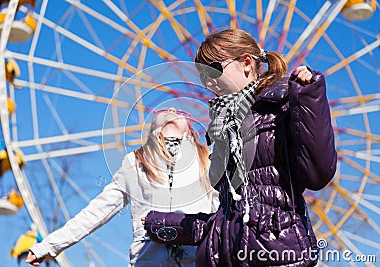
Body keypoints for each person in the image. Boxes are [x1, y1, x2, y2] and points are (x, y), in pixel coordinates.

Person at [144, 28, 337, 267]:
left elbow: (317, 174)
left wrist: (310, 98)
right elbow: (228, 218)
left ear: (246, 62)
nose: (208, 82)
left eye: (213, 69)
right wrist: (163, 223)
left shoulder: (283, 104)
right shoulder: (221, 126)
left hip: (275, 255)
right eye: (202, 76)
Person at [26, 107, 219, 267]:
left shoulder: (208, 161)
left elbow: (222, 213)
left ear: (190, 128)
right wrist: (49, 246)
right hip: (148, 259)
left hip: (196, 258)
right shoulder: (135, 163)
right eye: (165, 110)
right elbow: (98, 210)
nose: (171, 110)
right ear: (153, 126)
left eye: (178, 111)